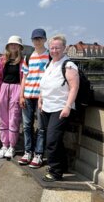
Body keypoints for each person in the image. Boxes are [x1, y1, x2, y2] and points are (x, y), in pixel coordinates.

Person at [39, 34, 79, 182]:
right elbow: (45, 84)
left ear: (64, 48)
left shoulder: (68, 65)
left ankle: (55, 172)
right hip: (47, 107)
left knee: (52, 140)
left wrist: (68, 106)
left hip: (60, 107)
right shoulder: (50, 64)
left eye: (57, 47)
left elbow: (74, 87)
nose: (54, 50)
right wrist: (41, 98)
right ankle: (62, 165)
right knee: (56, 140)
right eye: (52, 47)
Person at [18, 29, 50, 168]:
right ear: (32, 40)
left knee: (42, 128)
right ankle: (28, 152)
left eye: (40, 38)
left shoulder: (49, 56)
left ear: (44, 39)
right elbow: (24, 77)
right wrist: (21, 95)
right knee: (26, 126)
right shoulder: (28, 56)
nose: (37, 41)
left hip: (41, 97)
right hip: (28, 95)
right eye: (35, 39)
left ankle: (38, 154)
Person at [0, 35, 24, 159]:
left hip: (16, 88)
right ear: (8, 46)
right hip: (4, 88)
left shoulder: (22, 61)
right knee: (2, 118)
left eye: (15, 44)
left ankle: (12, 146)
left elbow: (24, 79)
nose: (13, 46)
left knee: (14, 118)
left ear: (19, 47)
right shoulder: (3, 60)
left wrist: (22, 94)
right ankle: (4, 145)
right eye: (11, 44)